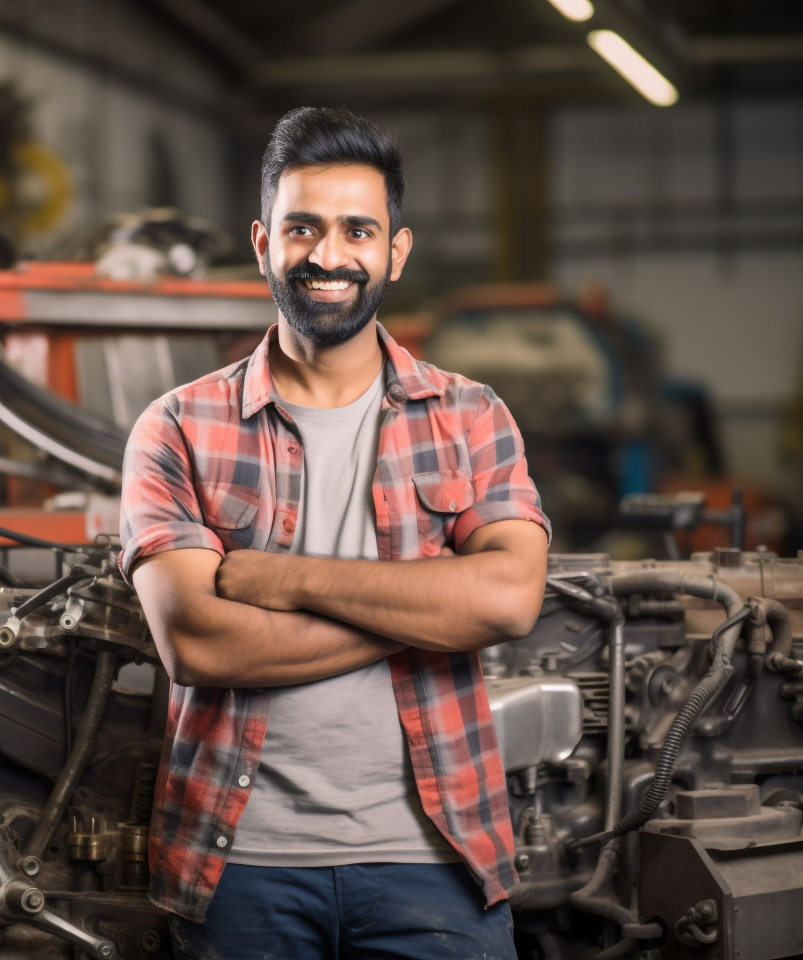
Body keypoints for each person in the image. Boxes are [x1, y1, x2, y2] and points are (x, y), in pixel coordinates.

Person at [120, 105, 551, 960]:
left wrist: (281, 579)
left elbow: (506, 600)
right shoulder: (177, 428)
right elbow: (199, 643)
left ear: (395, 250)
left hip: (437, 859)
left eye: (359, 229)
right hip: (239, 866)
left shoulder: (469, 416)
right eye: (303, 228)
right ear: (261, 242)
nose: (328, 255)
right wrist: (425, 605)